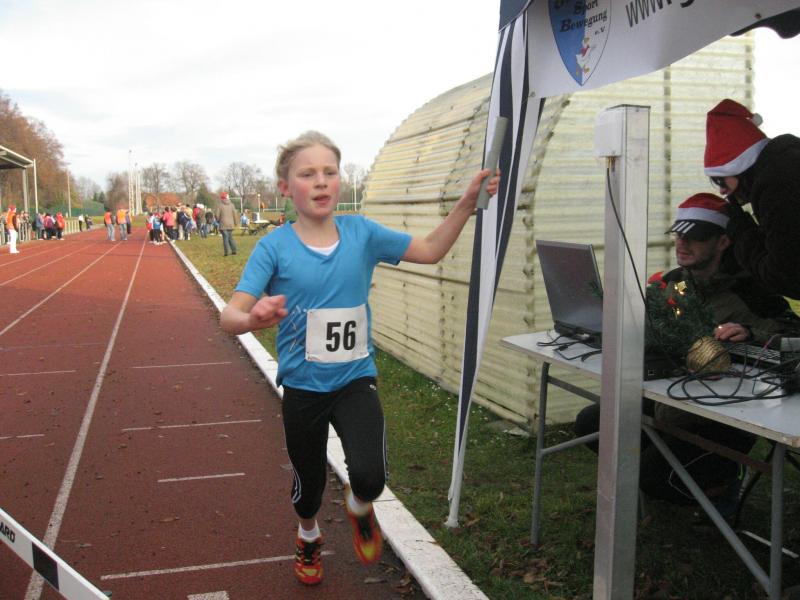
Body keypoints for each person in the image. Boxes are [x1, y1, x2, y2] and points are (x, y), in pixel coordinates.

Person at [219, 131, 499, 586]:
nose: (321, 181)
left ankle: (358, 504)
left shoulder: (362, 233)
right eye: (307, 174)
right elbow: (229, 316)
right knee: (308, 487)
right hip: (304, 387)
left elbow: (430, 251)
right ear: (285, 187)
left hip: (354, 379)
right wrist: (253, 318)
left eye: (330, 172)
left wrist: (466, 204)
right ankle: (308, 535)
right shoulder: (274, 247)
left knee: (371, 477)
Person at [575, 193, 800, 516]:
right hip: (673, 397)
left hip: (727, 411)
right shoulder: (675, 282)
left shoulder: (752, 290)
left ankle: (724, 481)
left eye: (695, 237)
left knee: (653, 476)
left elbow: (793, 336)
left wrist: (751, 334)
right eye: (679, 235)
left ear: (723, 242)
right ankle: (664, 468)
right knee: (592, 422)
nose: (682, 243)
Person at [704, 98, 800, 299]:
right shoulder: (787, 164)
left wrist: (742, 233)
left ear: (740, 168)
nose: (722, 191)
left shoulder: (778, 187)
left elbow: (786, 276)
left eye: (720, 180)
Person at [215, 191, 238, 256]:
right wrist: (235, 222)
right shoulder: (232, 205)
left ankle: (226, 252)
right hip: (231, 224)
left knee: (225, 238)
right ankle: (234, 251)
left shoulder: (220, 205)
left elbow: (217, 215)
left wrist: (218, 220)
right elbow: (235, 214)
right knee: (230, 237)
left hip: (223, 224)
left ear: (222, 198)